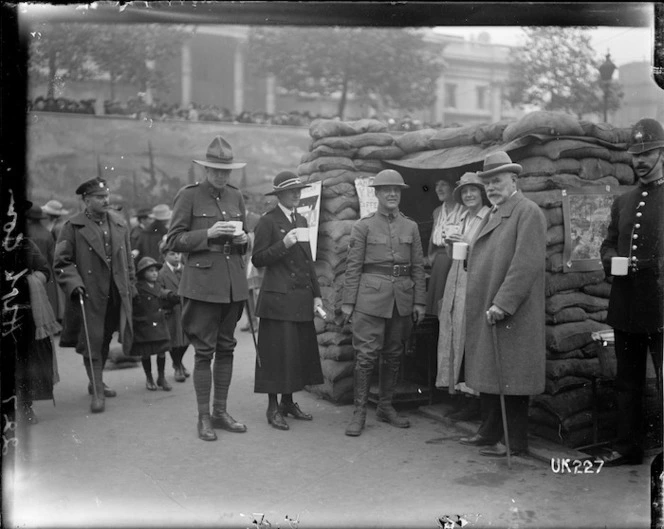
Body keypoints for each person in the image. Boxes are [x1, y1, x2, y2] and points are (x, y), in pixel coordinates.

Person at [458, 151, 546, 458]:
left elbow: (527, 263)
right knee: (492, 373)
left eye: (497, 181)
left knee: (512, 377)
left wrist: (504, 303)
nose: (491, 188)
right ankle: (489, 431)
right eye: (488, 183)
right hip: (489, 305)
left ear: (514, 180)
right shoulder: (495, 213)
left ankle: (513, 442)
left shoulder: (528, 212)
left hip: (511, 311)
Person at [165, 135, 250, 441]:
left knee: (227, 348)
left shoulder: (236, 196)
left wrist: (244, 241)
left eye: (226, 171)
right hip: (201, 285)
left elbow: (247, 238)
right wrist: (207, 233)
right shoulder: (188, 196)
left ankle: (221, 411)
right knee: (204, 352)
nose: (221, 176)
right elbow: (172, 240)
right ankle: (203, 417)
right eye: (215, 170)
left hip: (232, 286)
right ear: (205, 169)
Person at [342, 169, 426, 437]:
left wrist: (419, 302)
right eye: (386, 189)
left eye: (397, 190)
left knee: (392, 355)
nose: (392, 194)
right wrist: (348, 304)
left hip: (402, 299)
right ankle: (359, 413)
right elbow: (352, 267)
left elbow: (417, 267)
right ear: (376, 193)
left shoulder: (410, 227)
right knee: (365, 356)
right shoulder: (363, 226)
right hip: (369, 300)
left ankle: (386, 407)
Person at [599, 118, 664, 467]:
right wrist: (612, 259)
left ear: (662, 154)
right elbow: (608, 243)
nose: (639, 160)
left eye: (648, 153)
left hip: (661, 308)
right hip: (626, 306)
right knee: (628, 382)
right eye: (635, 154)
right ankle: (628, 447)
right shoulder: (624, 201)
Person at [54, 177, 136, 413]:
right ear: (86, 200)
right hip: (89, 292)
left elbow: (128, 259)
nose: (105, 200)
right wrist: (73, 283)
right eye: (99, 197)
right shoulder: (72, 227)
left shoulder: (120, 224)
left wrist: (131, 285)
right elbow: (61, 262)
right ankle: (98, 390)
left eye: (106, 196)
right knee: (92, 339)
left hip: (116, 292)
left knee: (106, 337)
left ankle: (96, 381)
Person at [251, 171, 324, 430]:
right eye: (292, 191)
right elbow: (257, 259)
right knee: (276, 355)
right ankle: (273, 408)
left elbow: (308, 262)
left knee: (295, 354)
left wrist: (316, 295)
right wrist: (283, 244)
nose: (297, 194)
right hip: (278, 300)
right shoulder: (268, 221)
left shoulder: (302, 219)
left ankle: (288, 403)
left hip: (300, 298)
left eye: (299, 190)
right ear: (279, 194)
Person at [436, 173, 491, 421]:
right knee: (453, 333)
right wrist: (450, 243)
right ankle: (459, 393)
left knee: (470, 337)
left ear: (482, 193)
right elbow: (456, 254)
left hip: (475, 281)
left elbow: (487, 252)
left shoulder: (488, 217)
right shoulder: (464, 216)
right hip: (456, 278)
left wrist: (465, 247)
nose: (469, 195)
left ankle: (475, 399)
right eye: (465, 192)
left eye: (473, 191)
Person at [16, 207, 61, 425]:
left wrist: (29, 283)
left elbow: (44, 269)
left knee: (25, 360)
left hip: (26, 313)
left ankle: (25, 407)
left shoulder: (25, 243)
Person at [130, 257, 174, 392]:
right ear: (143, 273)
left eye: (156, 270)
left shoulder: (158, 285)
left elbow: (162, 294)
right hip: (144, 324)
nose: (154, 273)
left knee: (162, 351)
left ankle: (161, 377)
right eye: (150, 271)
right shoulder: (137, 288)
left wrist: (171, 296)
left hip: (159, 323)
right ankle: (149, 378)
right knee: (146, 353)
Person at [425, 178, 464, 316]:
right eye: (436, 185)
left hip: (457, 261)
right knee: (438, 308)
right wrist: (432, 257)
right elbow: (433, 241)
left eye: (443, 184)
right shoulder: (437, 212)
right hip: (440, 263)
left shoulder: (465, 210)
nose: (438, 189)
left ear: (454, 188)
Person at [157, 240, 190, 382]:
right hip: (172, 309)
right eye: (172, 254)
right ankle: (177, 366)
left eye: (178, 253)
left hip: (186, 308)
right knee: (174, 340)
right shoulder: (161, 272)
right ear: (164, 256)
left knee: (187, 339)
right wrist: (167, 294)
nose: (176, 257)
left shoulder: (187, 269)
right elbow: (158, 289)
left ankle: (179, 362)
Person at [26, 204, 61, 324]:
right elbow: (53, 256)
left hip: (29, 270)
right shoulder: (47, 233)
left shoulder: (26, 233)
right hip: (45, 270)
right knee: (48, 298)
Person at [241, 198, 263, 332]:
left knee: (254, 292)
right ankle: (250, 321)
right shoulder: (235, 218)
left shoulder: (255, 218)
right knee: (244, 292)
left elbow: (260, 237)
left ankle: (256, 322)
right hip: (241, 259)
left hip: (252, 257)